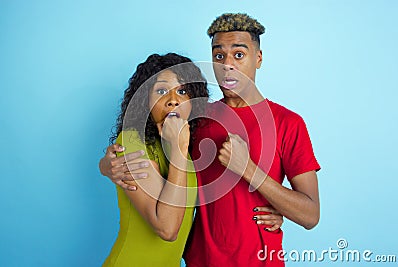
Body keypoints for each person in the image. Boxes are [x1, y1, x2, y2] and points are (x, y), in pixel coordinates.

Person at [101, 13, 319, 266]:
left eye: (239, 54)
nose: (228, 64)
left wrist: (249, 170)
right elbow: (152, 151)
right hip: (199, 261)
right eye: (218, 56)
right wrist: (108, 166)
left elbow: (310, 215)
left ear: (258, 58)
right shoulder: (194, 118)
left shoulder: (288, 123)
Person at [102, 53, 209, 266]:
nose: (173, 100)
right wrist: (178, 152)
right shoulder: (133, 141)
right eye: (161, 91)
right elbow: (167, 228)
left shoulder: (187, 146)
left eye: (182, 90)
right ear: (145, 101)